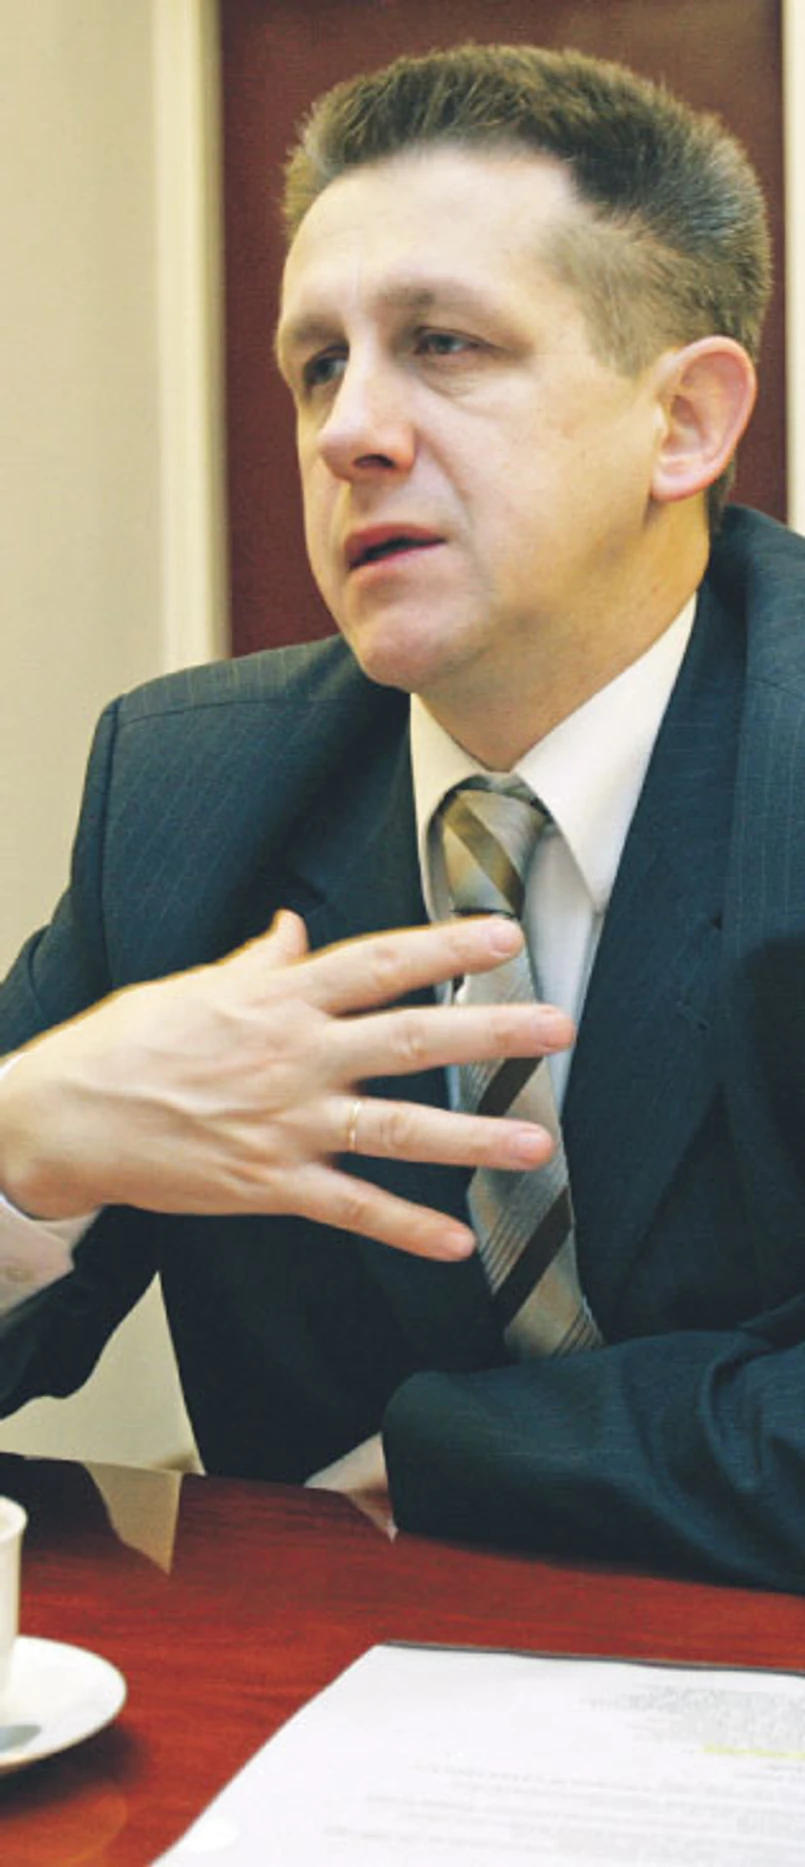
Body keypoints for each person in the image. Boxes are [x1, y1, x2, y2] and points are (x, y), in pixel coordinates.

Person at [1, 41, 803, 1591]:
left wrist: (463, 1456)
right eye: (319, 364)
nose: (346, 430)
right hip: (328, 1697)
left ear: (687, 422)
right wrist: (26, 1145)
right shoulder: (185, 791)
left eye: (443, 343)